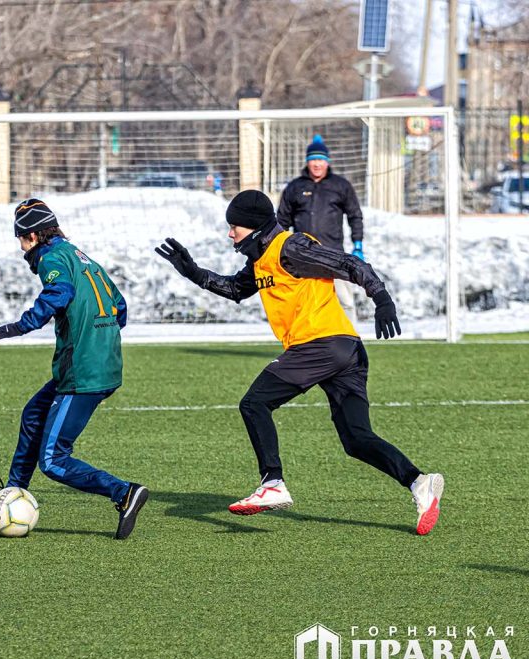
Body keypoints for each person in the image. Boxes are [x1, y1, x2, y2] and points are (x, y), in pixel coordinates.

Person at [156, 190, 444, 535]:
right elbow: (234, 289)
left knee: (254, 403)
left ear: (254, 226)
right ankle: (418, 482)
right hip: (345, 350)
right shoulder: (261, 259)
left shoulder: (292, 248)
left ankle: (272, 482)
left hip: (320, 344)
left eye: (235, 226)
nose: (230, 233)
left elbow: (351, 264)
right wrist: (192, 272)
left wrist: (381, 298)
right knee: (356, 439)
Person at [0, 198, 148, 540]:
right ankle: (12, 491)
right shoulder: (80, 255)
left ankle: (124, 492)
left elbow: (59, 292)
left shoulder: (51, 257)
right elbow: (120, 306)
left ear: (34, 236)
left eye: (22, 239)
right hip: (98, 362)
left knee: (54, 460)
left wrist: (21, 326)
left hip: (84, 372)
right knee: (33, 414)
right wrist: (99, 339)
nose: (22, 247)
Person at [276, 135, 364, 319]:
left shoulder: (341, 186)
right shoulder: (294, 187)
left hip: (334, 253)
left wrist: (358, 244)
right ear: (307, 162)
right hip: (302, 256)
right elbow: (282, 221)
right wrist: (279, 249)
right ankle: (306, 345)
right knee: (304, 303)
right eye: (313, 159)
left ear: (327, 162)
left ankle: (351, 343)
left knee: (344, 301)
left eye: (321, 160)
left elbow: (355, 215)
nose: (317, 164)